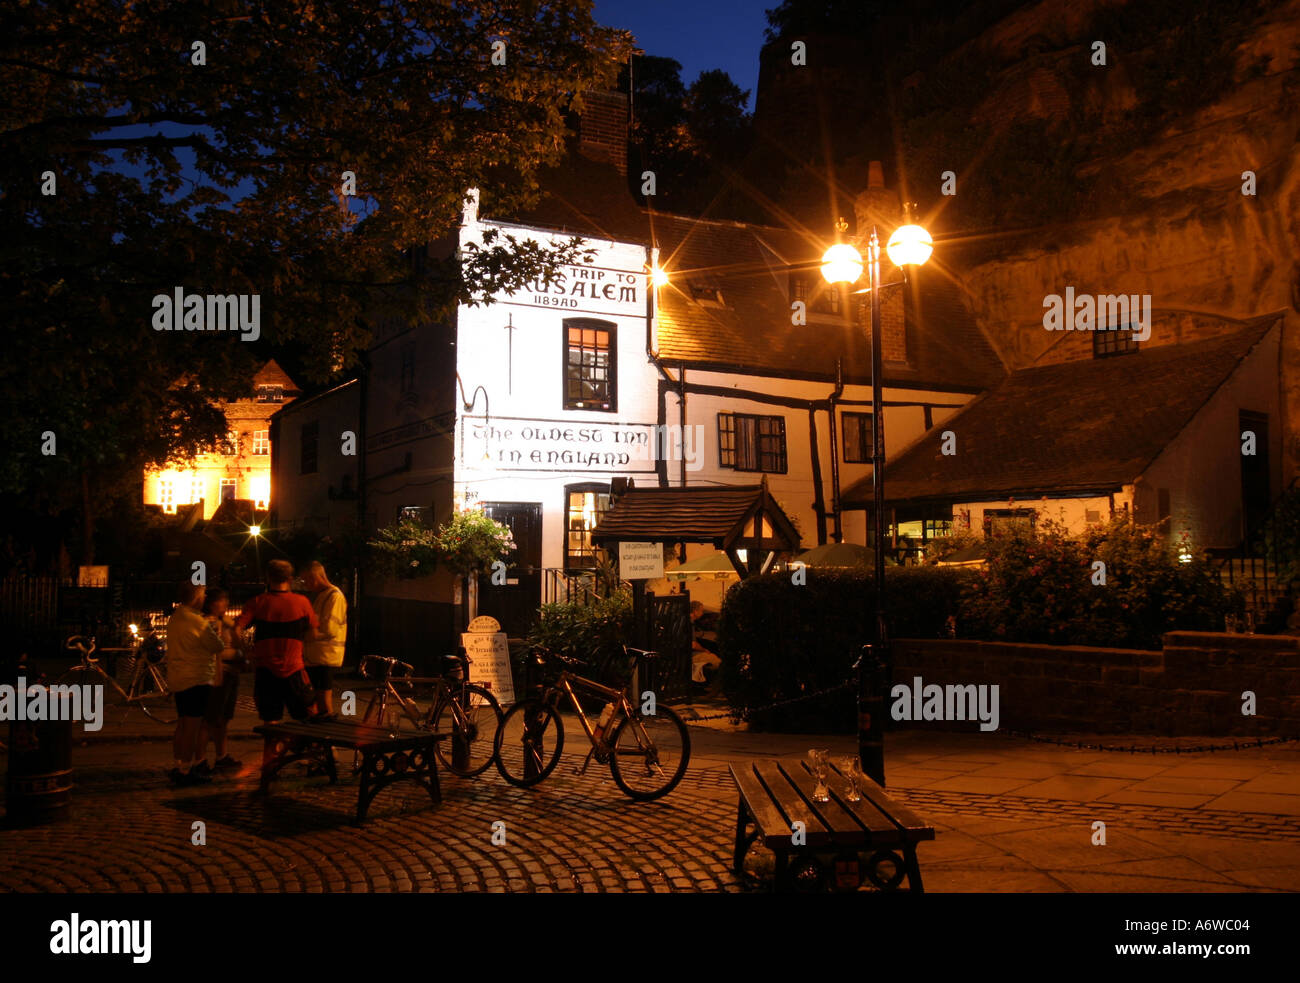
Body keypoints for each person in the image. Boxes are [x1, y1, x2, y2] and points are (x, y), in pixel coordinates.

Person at [166, 582, 235, 786]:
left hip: (179, 677)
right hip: (196, 677)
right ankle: (186, 770)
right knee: (192, 726)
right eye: (203, 595)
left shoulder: (176, 617)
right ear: (196, 597)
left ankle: (179, 764)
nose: (205, 598)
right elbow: (217, 645)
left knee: (182, 723)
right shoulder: (197, 621)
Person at [235, 560, 320, 725]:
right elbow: (313, 634)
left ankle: (273, 749)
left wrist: (246, 651)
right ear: (290, 578)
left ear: (268, 577)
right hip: (294, 669)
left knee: (270, 720)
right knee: (307, 715)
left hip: (265, 670)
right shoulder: (302, 603)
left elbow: (236, 629)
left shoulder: (257, 602)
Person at [195, 589, 246, 775]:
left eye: (226, 601)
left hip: (231, 672)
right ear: (211, 604)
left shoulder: (228, 623)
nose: (225, 605)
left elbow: (238, 642)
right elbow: (213, 650)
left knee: (223, 718)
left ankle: (221, 756)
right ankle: (199, 760)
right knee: (209, 718)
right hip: (219, 673)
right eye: (221, 601)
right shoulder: (208, 623)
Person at [302, 561, 347, 719]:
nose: (306, 585)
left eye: (307, 580)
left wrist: (310, 635)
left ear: (316, 577)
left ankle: (328, 737)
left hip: (325, 657)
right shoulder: (324, 596)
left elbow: (330, 629)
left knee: (324, 704)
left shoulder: (334, 597)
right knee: (319, 701)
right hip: (318, 657)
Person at [690, 601, 722, 687]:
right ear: (695, 611)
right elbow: (693, 645)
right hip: (690, 656)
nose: (702, 613)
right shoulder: (690, 623)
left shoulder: (682, 620)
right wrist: (704, 650)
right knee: (718, 661)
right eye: (701, 611)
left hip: (680, 654)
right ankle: (714, 688)